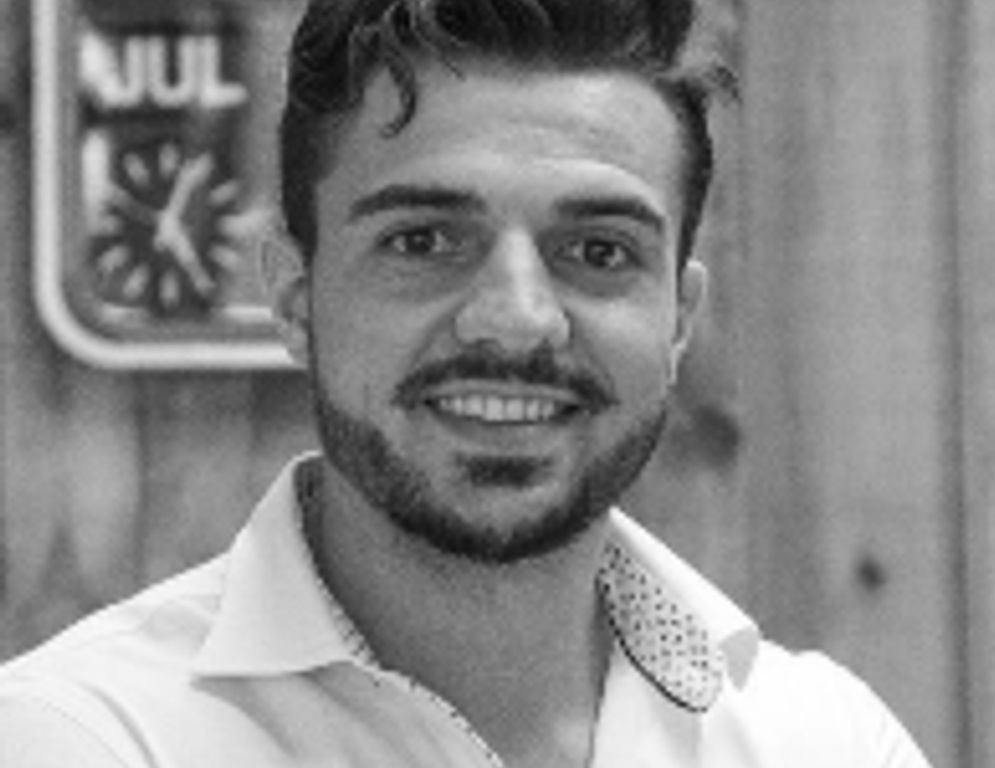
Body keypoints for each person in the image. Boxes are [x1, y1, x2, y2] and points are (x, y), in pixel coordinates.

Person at [0, 0, 933, 766]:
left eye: (599, 251)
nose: (518, 318)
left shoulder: (823, 740)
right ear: (293, 294)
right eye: (424, 241)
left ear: (679, 318)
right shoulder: (88, 738)